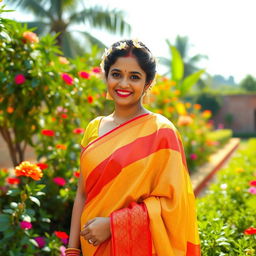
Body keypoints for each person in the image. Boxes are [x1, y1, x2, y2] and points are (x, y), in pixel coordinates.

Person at [65, 39, 201, 256]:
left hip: (137, 246)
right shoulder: (94, 127)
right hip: (91, 245)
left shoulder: (161, 131)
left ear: (147, 83)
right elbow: (82, 194)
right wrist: (73, 249)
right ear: (107, 76)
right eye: (116, 74)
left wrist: (113, 225)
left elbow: (174, 203)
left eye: (134, 77)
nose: (124, 84)